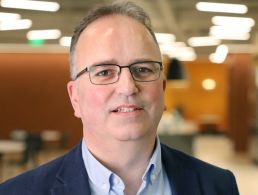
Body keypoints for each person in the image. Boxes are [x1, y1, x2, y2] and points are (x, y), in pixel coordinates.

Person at [0, 1, 239, 195]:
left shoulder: (219, 186)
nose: (127, 87)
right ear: (75, 98)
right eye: (104, 72)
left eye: (143, 69)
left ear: (163, 89)